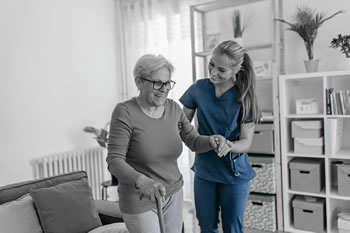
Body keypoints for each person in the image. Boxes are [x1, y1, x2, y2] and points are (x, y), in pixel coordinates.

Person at [106, 54, 227, 233]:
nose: (164, 89)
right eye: (157, 83)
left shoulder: (173, 108)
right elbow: (114, 161)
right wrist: (141, 181)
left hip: (174, 193)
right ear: (139, 82)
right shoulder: (125, 112)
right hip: (139, 197)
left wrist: (211, 140)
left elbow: (193, 141)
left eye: (167, 83)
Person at [179, 40, 260, 233]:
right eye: (211, 64)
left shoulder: (244, 97)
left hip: (234, 173)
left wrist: (229, 146)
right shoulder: (198, 89)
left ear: (236, 70)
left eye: (221, 70)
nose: (213, 72)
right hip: (205, 171)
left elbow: (246, 142)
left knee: (232, 228)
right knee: (207, 227)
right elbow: (181, 125)